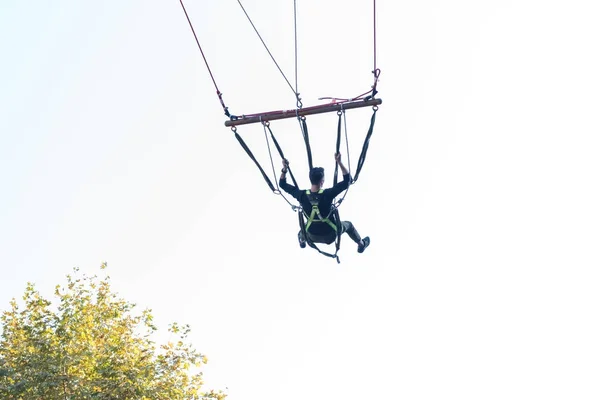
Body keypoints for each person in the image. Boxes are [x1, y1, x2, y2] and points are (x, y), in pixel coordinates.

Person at [279, 153, 370, 253]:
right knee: (349, 225)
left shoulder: (301, 195)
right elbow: (347, 180)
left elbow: (282, 184)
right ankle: (361, 244)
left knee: (302, 231)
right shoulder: (328, 194)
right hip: (330, 236)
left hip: (311, 236)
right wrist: (339, 162)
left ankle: (302, 240)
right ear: (322, 181)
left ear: (311, 180)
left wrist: (284, 169)